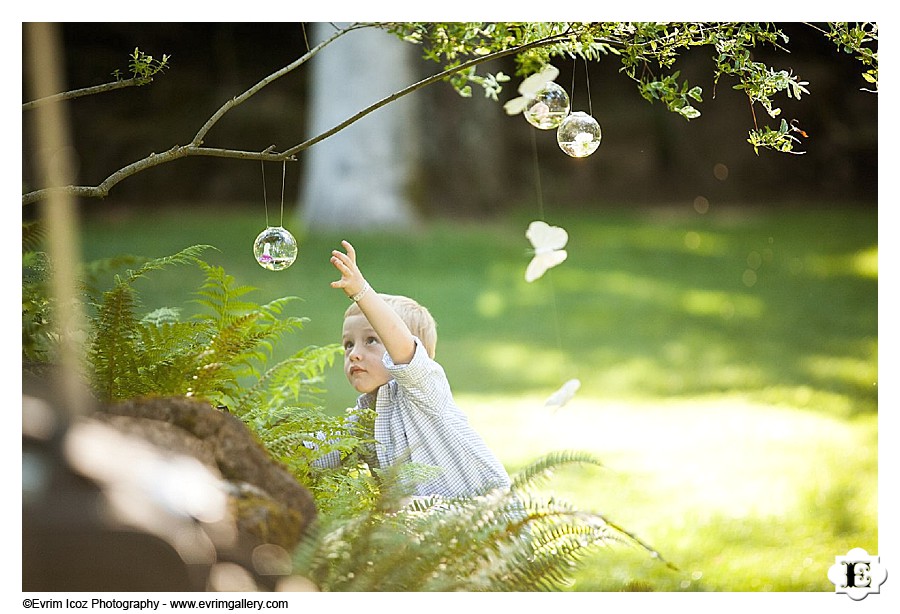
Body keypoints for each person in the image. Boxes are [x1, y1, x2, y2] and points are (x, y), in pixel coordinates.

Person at [313, 240, 511, 499]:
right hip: (426, 528)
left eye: (371, 340)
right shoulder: (363, 421)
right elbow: (316, 453)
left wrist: (361, 291)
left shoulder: (425, 389)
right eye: (348, 345)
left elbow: (401, 345)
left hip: (486, 516)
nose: (355, 354)